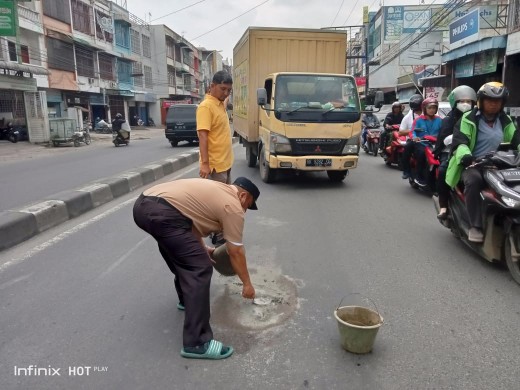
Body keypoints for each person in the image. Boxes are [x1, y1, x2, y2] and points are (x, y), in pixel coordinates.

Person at [133, 176, 260, 360]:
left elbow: (188, 220)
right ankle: (197, 342)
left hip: (143, 206)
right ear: (243, 195)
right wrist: (247, 284)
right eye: (248, 205)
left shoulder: (217, 190)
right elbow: (236, 252)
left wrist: (202, 248)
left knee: (182, 255)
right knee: (200, 268)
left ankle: (187, 300)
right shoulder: (233, 206)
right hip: (164, 213)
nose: (245, 210)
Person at [446, 81, 520, 242]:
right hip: (474, 164)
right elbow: (460, 143)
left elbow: (516, 140)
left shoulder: (505, 120)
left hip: (499, 163)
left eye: (497, 101)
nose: (493, 104)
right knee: (474, 181)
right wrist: (467, 157)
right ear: (481, 101)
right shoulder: (468, 118)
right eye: (490, 100)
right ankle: (475, 225)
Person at [434, 85, 477, 220]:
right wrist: (458, 140)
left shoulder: (476, 118)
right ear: (455, 102)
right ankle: (443, 205)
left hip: (473, 152)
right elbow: (444, 139)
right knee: (443, 171)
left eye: (468, 101)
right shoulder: (448, 119)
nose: (465, 104)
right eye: (462, 101)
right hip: (451, 151)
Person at [197, 70, 234, 184]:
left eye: (229, 90)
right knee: (217, 201)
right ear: (212, 86)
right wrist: (205, 164)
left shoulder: (219, 103)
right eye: (223, 89)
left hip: (225, 164)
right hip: (215, 168)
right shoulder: (206, 107)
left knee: (227, 199)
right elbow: (203, 136)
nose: (226, 93)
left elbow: (225, 100)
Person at [401, 97, 442, 186]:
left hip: (436, 144)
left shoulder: (439, 120)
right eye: (429, 108)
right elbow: (412, 131)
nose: (431, 110)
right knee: (421, 154)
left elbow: (444, 131)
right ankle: (418, 176)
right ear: (425, 109)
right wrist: (415, 137)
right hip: (422, 143)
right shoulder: (418, 120)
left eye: (434, 108)